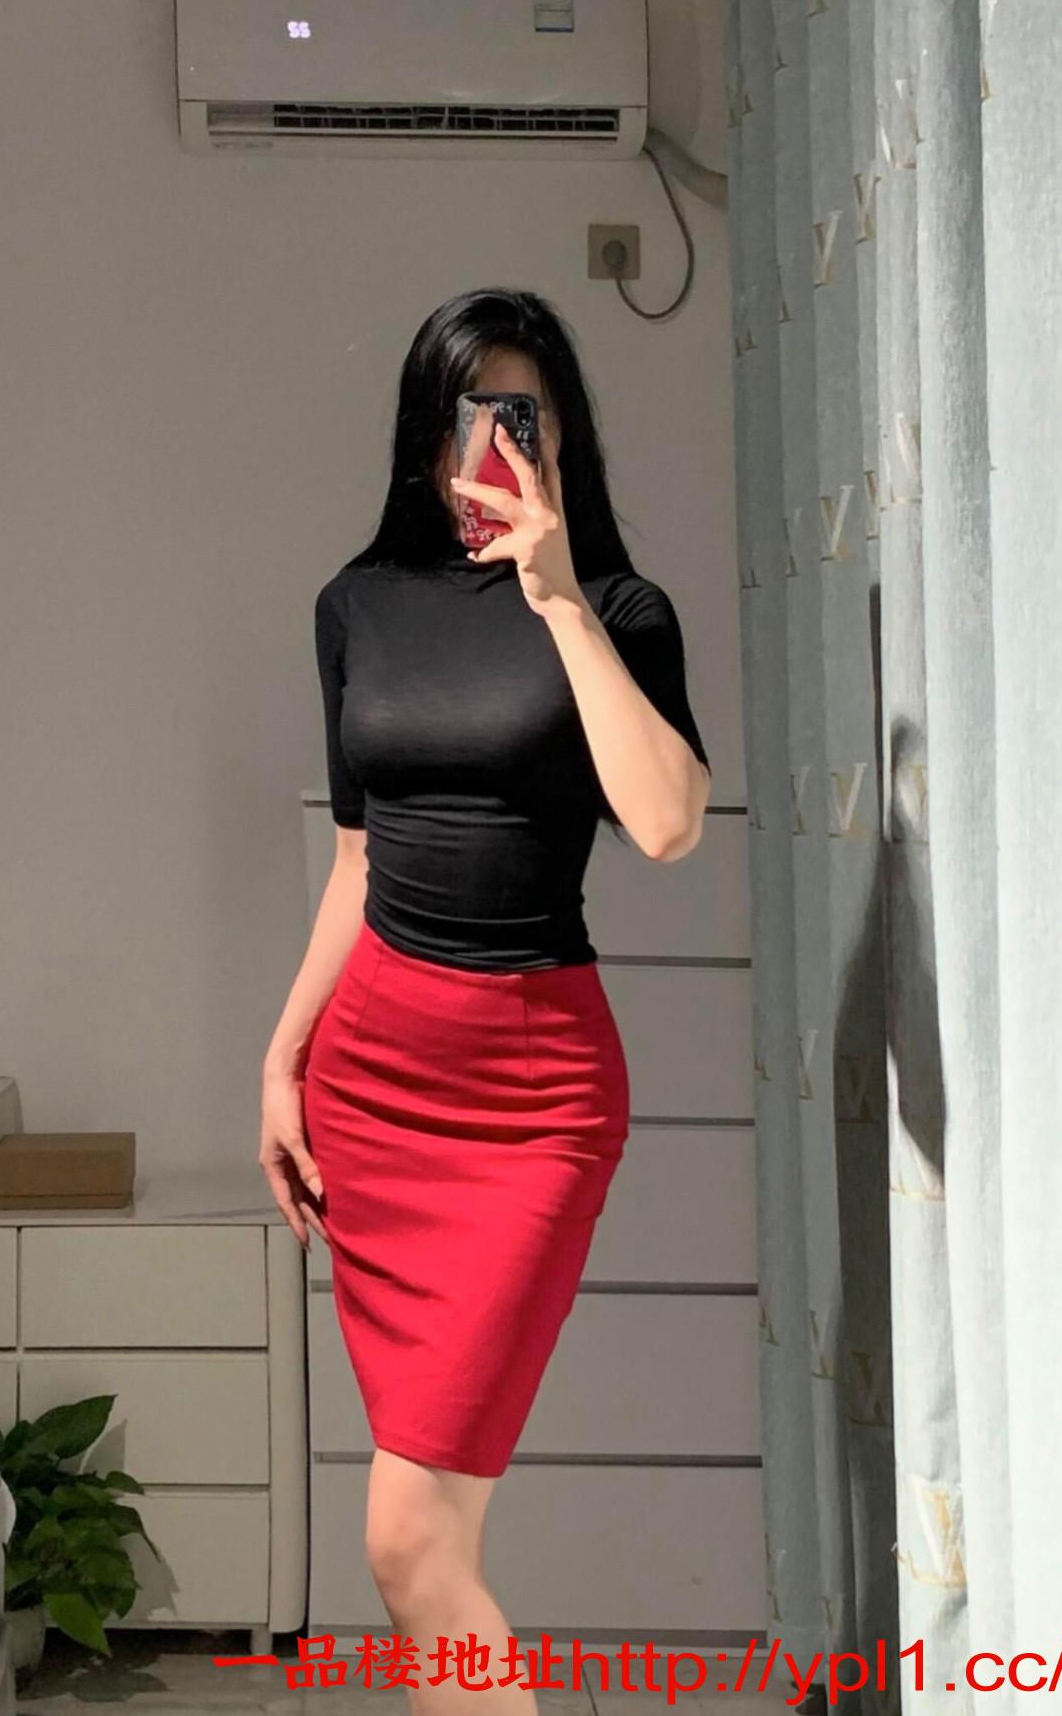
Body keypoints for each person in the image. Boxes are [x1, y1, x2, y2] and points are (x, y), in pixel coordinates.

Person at [260, 287, 711, 1714]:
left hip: (530, 1099)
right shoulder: (356, 607)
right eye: (476, 415)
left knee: (407, 1537)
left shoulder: (620, 611)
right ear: (427, 435)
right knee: (428, 1539)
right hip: (372, 1078)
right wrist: (283, 1059)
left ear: (565, 435)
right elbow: (357, 859)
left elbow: (667, 825)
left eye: (529, 415)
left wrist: (559, 593)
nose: (502, 444)